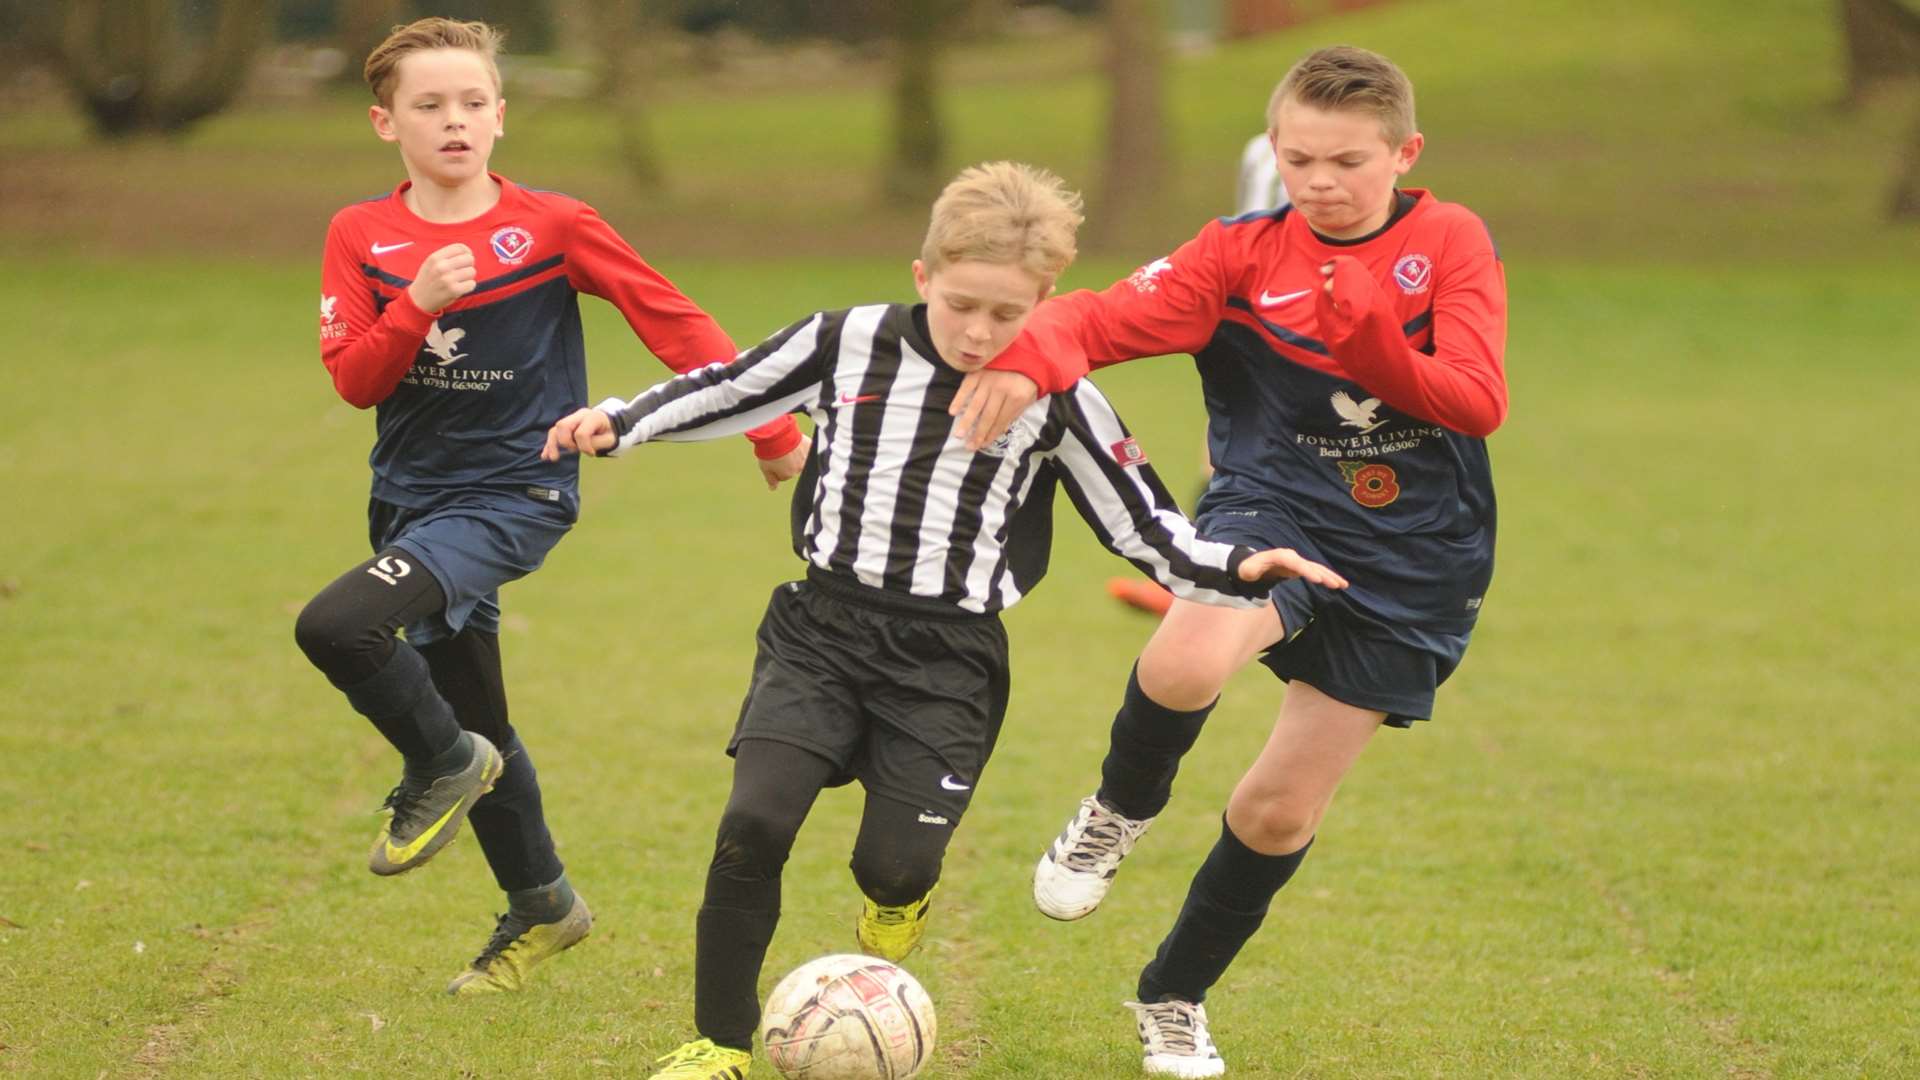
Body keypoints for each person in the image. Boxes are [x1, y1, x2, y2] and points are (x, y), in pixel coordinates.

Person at [541, 161, 1350, 1080]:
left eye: (1008, 315)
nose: (979, 332)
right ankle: (717, 1043)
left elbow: (1145, 526)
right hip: (821, 631)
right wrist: (620, 421)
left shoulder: (1061, 394)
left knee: (894, 865)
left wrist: (1239, 567)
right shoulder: (844, 342)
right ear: (923, 275)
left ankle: (897, 896)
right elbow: (729, 388)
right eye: (961, 304)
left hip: (947, 663)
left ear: (1046, 303)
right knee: (755, 824)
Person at [951, 46, 1508, 1077]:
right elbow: (1095, 315)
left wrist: (1375, 343)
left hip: (1416, 557)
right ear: (1275, 154)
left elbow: (1478, 399)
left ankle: (1172, 997)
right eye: (1299, 160)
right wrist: (1028, 362)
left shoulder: (1450, 240)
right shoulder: (1239, 254)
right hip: (1275, 504)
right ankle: (1118, 812)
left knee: (1276, 809)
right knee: (1189, 658)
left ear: (1404, 152)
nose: (1321, 184)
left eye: (1347, 161)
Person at [292, 16, 806, 998]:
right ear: (383, 121)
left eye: (474, 103)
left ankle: (439, 766)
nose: (455, 121)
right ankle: (543, 903)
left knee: (338, 625)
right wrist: (417, 305)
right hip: (408, 499)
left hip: (518, 493)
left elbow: (674, 318)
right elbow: (357, 381)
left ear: (501, 115)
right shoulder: (360, 234)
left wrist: (769, 427)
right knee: (480, 718)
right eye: (429, 105)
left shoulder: (555, 225)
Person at [1105, 133, 1293, 618]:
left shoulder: (1355, 150)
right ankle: (1197, 579)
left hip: (1309, 319)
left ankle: (1204, 585)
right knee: (1221, 451)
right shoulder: (1258, 149)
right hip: (1255, 307)